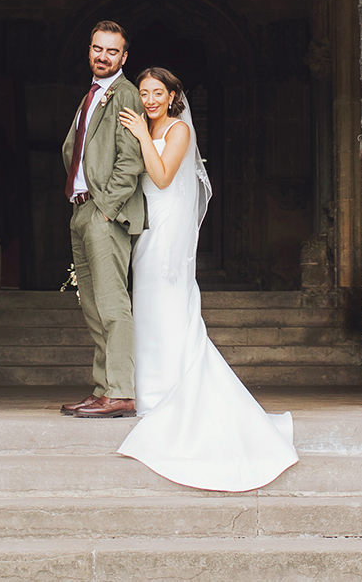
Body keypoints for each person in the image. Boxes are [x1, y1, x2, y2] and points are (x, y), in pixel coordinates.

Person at [115, 67, 298, 490]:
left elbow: (162, 176)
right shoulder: (147, 126)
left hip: (170, 228)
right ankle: (151, 391)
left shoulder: (178, 130)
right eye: (144, 92)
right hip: (149, 225)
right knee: (148, 307)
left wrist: (141, 135)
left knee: (168, 304)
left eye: (158, 92)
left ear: (173, 96)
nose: (150, 99)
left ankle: (171, 391)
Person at [58, 22, 147, 418]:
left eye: (112, 51)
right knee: (93, 307)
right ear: (89, 50)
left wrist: (106, 207)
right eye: (98, 49)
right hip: (82, 209)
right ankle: (103, 388)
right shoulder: (91, 95)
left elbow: (130, 160)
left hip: (103, 213)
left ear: (124, 57)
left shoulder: (124, 94)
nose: (103, 56)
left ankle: (121, 391)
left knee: (112, 305)